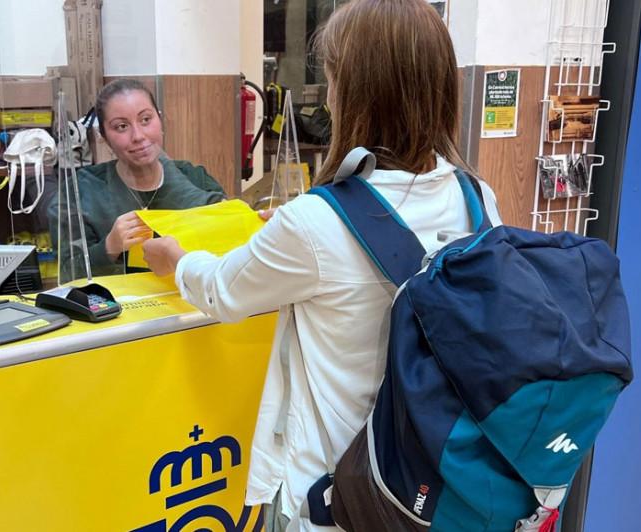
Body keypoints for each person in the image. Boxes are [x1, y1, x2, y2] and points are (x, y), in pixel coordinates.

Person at [141, 0, 502, 530]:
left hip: (338, 499)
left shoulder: (315, 222)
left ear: (356, 91)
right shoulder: (477, 196)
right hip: (437, 484)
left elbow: (223, 291)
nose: (328, 95)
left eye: (332, 78)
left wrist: (175, 258)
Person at [48, 79, 226, 278]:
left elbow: (225, 259)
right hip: (118, 306)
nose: (138, 136)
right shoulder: (81, 191)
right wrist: (109, 247)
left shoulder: (195, 179)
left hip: (187, 304)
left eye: (146, 120)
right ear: (104, 136)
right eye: (122, 126)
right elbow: (67, 273)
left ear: (160, 120)